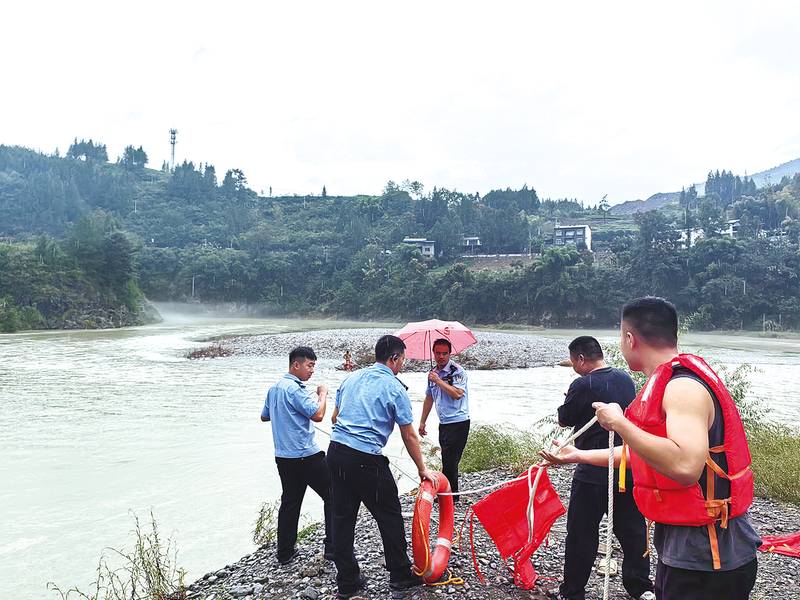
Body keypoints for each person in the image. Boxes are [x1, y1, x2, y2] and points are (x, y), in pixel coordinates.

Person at [542, 297, 760, 600]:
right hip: (686, 547)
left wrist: (620, 424)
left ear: (630, 339)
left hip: (709, 554)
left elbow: (685, 467)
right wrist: (577, 456)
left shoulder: (682, 388)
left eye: (621, 336)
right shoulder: (665, 383)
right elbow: (642, 454)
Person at [327, 334, 438, 599]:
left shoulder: (351, 378)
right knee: (388, 514)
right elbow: (409, 434)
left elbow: (335, 417)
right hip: (366, 459)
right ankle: (400, 576)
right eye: (402, 359)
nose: (403, 364)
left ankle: (347, 582)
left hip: (335, 453)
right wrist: (423, 469)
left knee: (342, 518)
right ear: (394, 358)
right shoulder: (394, 387)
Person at [552, 336, 654, 600]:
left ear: (581, 359)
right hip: (624, 467)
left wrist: (569, 398)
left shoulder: (581, 384)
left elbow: (564, 419)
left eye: (574, 361)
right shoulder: (624, 379)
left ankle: (572, 591)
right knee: (632, 532)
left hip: (590, 468)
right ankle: (641, 588)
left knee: (581, 533)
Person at [260, 346, 333, 564]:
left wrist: (286, 415)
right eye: (309, 365)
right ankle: (332, 547)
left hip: (283, 456)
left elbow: (265, 416)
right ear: (296, 365)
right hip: (306, 455)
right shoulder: (294, 389)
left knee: (290, 501)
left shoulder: (274, 389)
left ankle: (284, 553)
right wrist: (322, 394)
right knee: (333, 495)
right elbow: (318, 414)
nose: (311, 371)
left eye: (313, 366)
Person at [418, 338, 470, 502]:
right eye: (438, 353)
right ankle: (448, 494)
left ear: (449, 353)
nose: (441, 357)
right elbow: (429, 398)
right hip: (444, 423)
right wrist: (422, 421)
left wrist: (439, 381)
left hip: (459, 422)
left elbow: (457, 394)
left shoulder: (457, 371)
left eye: (444, 353)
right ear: (433, 353)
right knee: (446, 458)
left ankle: (451, 496)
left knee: (450, 461)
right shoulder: (433, 373)